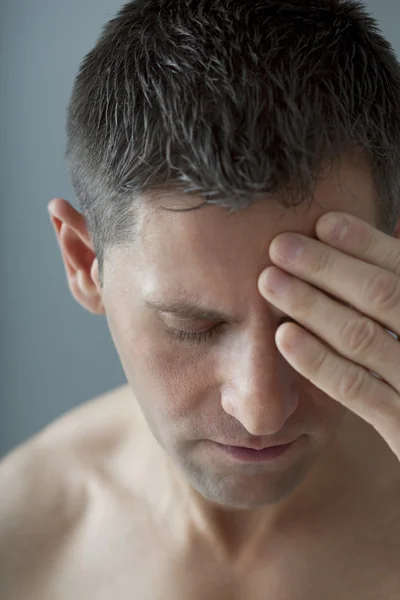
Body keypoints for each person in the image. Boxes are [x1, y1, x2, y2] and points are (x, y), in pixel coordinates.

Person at [1, 0, 400, 597]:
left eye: (319, 315)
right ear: (86, 263)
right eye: (193, 326)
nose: (261, 410)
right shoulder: (20, 546)